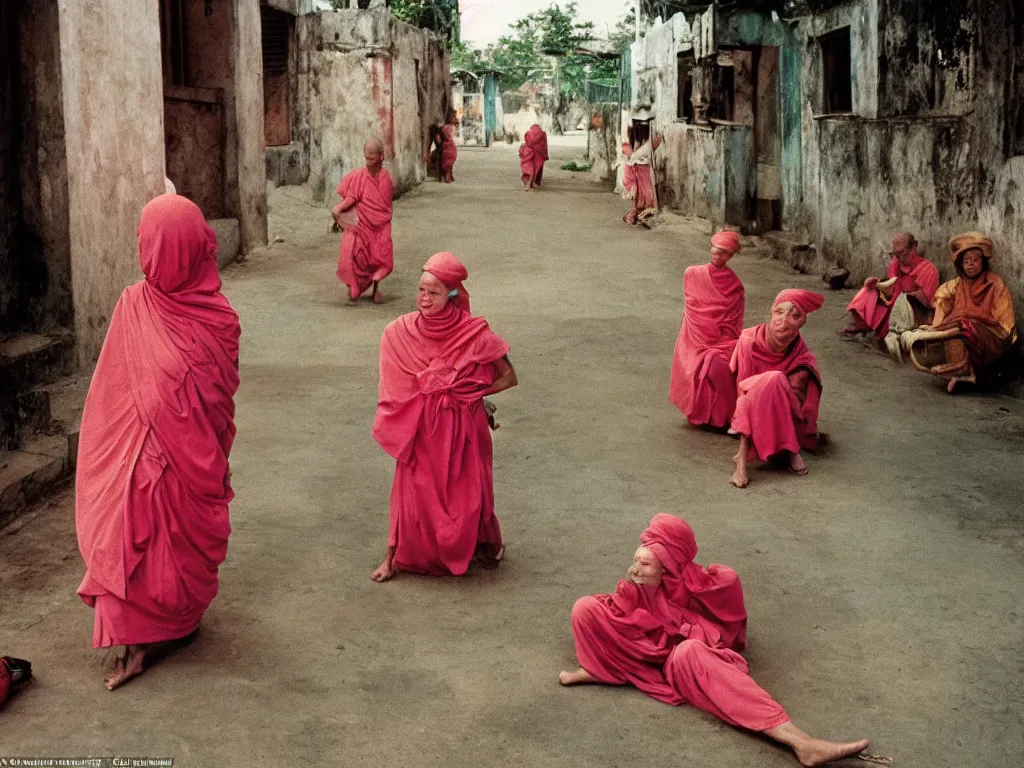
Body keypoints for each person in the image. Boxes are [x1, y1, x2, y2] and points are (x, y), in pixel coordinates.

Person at [76, 194, 240, 690]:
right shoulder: (133, 305)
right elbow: (109, 391)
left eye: (152, 245)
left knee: (164, 543)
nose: (144, 254)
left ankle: (177, 619)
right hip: (138, 456)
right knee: (126, 530)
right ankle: (135, 640)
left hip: (187, 462)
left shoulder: (219, 322)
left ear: (182, 249)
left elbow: (214, 407)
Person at [560, 514, 870, 767]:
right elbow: (622, 615)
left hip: (680, 659)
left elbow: (726, 621)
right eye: (637, 559)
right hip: (646, 653)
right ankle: (601, 669)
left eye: (646, 563)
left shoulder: (696, 586)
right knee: (584, 607)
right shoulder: (633, 588)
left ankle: (800, 742)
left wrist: (690, 627)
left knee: (690, 652)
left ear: (667, 565)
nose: (636, 568)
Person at [370, 252, 517, 582]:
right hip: (419, 426)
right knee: (409, 493)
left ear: (452, 294)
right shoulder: (399, 332)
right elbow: (395, 387)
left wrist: (471, 393)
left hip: (464, 427)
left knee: (469, 492)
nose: (424, 299)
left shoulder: (474, 333)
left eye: (433, 292)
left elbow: (509, 377)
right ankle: (392, 558)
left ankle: (479, 543)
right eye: (421, 290)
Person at [729, 290, 825, 489]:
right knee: (774, 379)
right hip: (748, 405)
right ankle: (754, 457)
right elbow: (743, 389)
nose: (784, 321)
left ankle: (744, 456)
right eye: (779, 312)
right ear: (771, 313)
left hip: (781, 417)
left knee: (775, 380)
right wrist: (769, 384)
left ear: (802, 323)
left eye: (795, 316)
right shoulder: (749, 340)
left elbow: (795, 407)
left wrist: (773, 387)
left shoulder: (803, 358)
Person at [905, 232, 1017, 393]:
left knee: (963, 326)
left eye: (975, 260)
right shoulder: (957, 285)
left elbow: (1005, 326)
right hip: (959, 329)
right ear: (960, 265)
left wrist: (972, 325)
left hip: (990, 336)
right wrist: (936, 327)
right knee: (952, 330)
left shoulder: (995, 284)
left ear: (983, 262)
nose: (971, 265)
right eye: (966, 261)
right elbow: (942, 302)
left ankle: (963, 370)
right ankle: (959, 370)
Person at [669, 231, 745, 429]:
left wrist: (725, 338)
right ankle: (712, 416)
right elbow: (693, 308)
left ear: (731, 256)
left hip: (724, 339)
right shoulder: (693, 274)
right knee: (713, 367)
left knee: (733, 364)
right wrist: (705, 331)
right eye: (716, 251)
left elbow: (734, 319)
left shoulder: (734, 284)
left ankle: (728, 417)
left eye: (724, 254)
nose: (718, 256)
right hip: (695, 338)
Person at [842, 232, 939, 340]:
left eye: (903, 253)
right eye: (895, 254)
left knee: (900, 307)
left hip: (911, 314)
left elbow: (927, 302)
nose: (900, 258)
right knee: (867, 291)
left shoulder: (928, 270)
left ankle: (881, 333)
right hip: (892, 306)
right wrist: (876, 284)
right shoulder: (896, 263)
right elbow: (890, 291)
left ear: (913, 248)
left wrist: (907, 296)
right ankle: (863, 326)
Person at [333, 138, 394, 304]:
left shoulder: (386, 178)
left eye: (372, 159)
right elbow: (353, 196)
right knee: (353, 253)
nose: (368, 163)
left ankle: (375, 288)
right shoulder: (360, 176)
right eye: (366, 158)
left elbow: (384, 207)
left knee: (380, 258)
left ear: (381, 157)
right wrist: (338, 208)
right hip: (362, 223)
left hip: (380, 225)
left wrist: (378, 219)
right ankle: (354, 285)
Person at [622, 111, 662, 226]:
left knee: (643, 195)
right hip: (639, 168)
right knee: (643, 195)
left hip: (641, 167)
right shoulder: (634, 139)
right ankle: (645, 214)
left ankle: (644, 213)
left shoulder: (636, 139)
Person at [519, 124, 549, 190]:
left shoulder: (528, 136)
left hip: (528, 157)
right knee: (537, 170)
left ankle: (528, 184)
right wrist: (545, 156)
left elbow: (520, 153)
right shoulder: (542, 134)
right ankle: (535, 182)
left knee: (528, 172)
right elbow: (544, 146)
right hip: (539, 156)